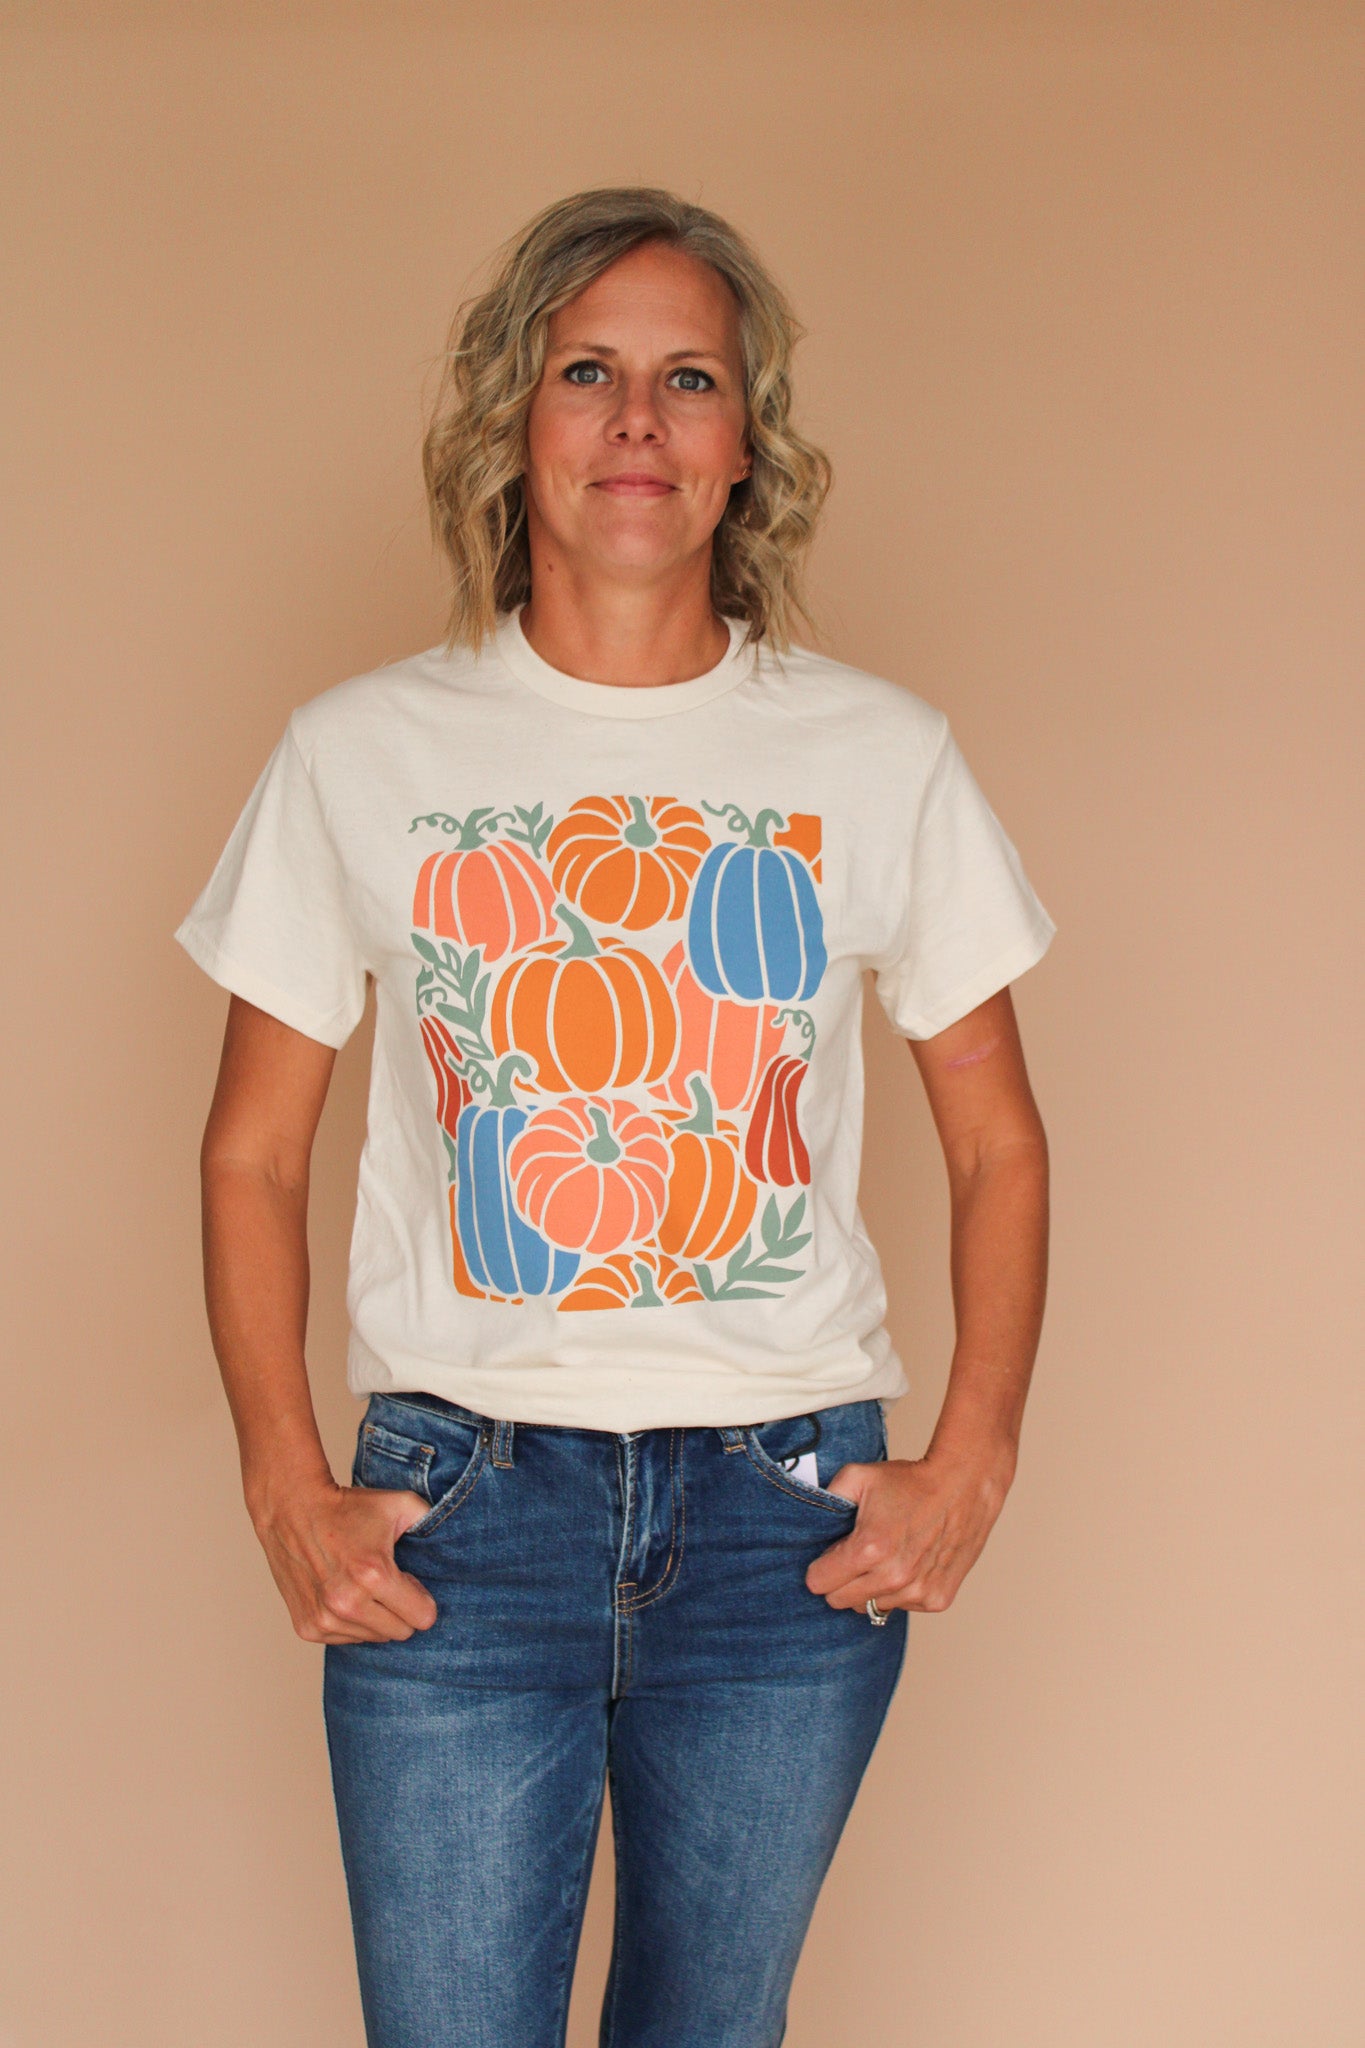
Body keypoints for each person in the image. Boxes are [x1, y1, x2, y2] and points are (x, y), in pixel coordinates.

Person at [174, 186, 1055, 2048]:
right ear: (515, 421)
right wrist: (281, 1481)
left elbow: (995, 1139)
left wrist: (972, 1457)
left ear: (746, 444)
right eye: (586, 372)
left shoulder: (875, 756)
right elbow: (252, 1151)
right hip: (460, 1513)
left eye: (687, 379)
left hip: (779, 1522)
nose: (636, 420)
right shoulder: (360, 753)